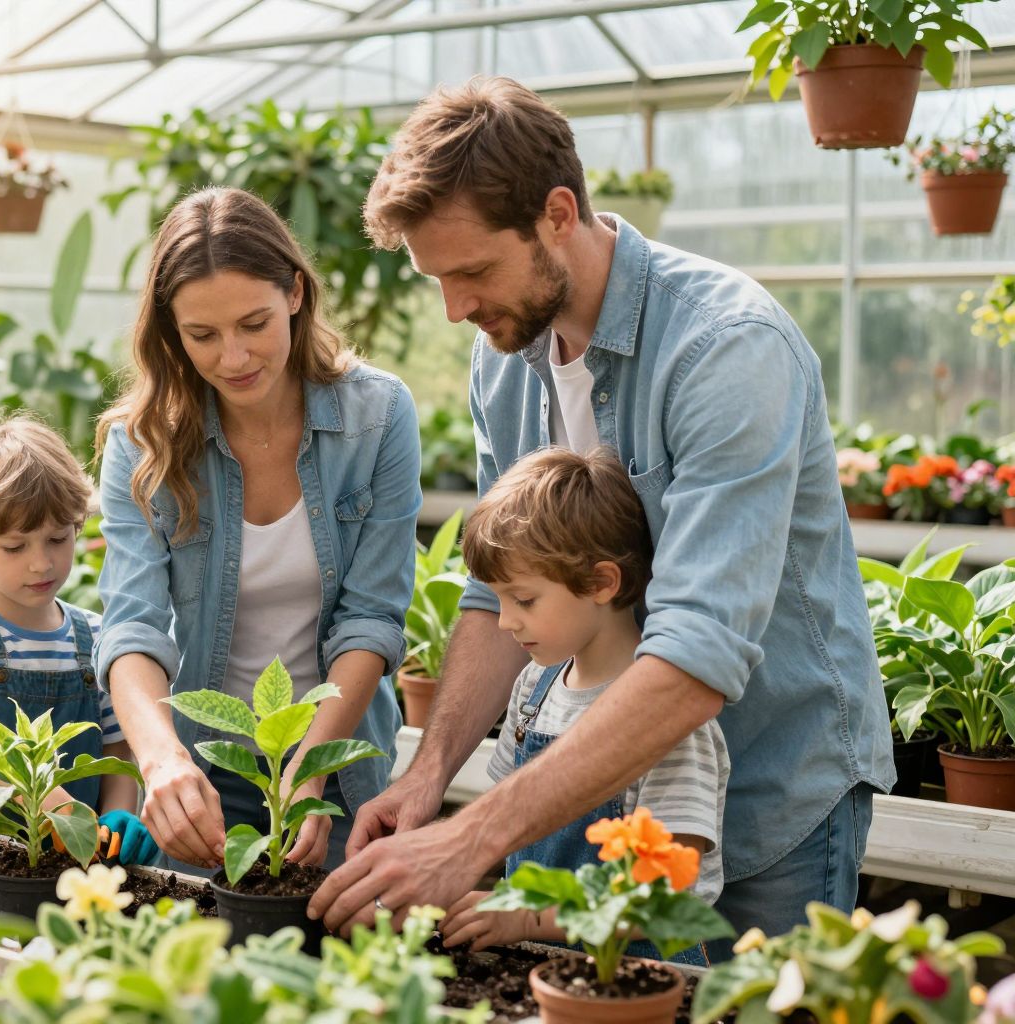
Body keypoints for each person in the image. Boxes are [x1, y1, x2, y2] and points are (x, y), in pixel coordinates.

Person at [308, 77, 893, 950]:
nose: (456, 307)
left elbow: (698, 651)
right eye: (437, 278)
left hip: (771, 795)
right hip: (594, 808)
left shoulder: (726, 347)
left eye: (471, 271)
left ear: (556, 213)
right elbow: (499, 592)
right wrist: (429, 778)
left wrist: (474, 834)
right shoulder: (505, 362)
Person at [94, 186, 421, 874]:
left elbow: (372, 619)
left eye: (254, 323)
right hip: (202, 770)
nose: (234, 358)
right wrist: (161, 761)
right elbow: (132, 626)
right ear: (169, 330)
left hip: (334, 768)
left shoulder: (378, 416)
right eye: (203, 336)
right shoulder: (143, 442)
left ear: (296, 294)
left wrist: (309, 771)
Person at [436, 447, 727, 966]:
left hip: (639, 980)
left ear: (601, 582)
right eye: (497, 600)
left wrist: (525, 915)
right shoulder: (535, 686)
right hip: (540, 968)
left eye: (523, 600)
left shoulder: (670, 721)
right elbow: (503, 823)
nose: (504, 622)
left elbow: (662, 903)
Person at [0, 415, 156, 866]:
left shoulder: (96, 635)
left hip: (73, 868)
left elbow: (117, 749)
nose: (41, 563)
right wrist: (45, 797)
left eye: (57, 539)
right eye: (15, 547)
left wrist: (120, 814)